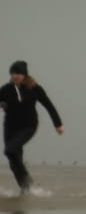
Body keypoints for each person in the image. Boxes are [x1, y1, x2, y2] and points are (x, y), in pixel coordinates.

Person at [2, 61, 63, 196]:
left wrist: (58, 124)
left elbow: (48, 105)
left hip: (28, 126)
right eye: (13, 73)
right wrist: (2, 104)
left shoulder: (34, 88)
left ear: (24, 74)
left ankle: (26, 179)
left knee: (10, 150)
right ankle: (25, 189)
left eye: (18, 73)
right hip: (10, 128)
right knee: (13, 159)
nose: (15, 76)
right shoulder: (6, 89)